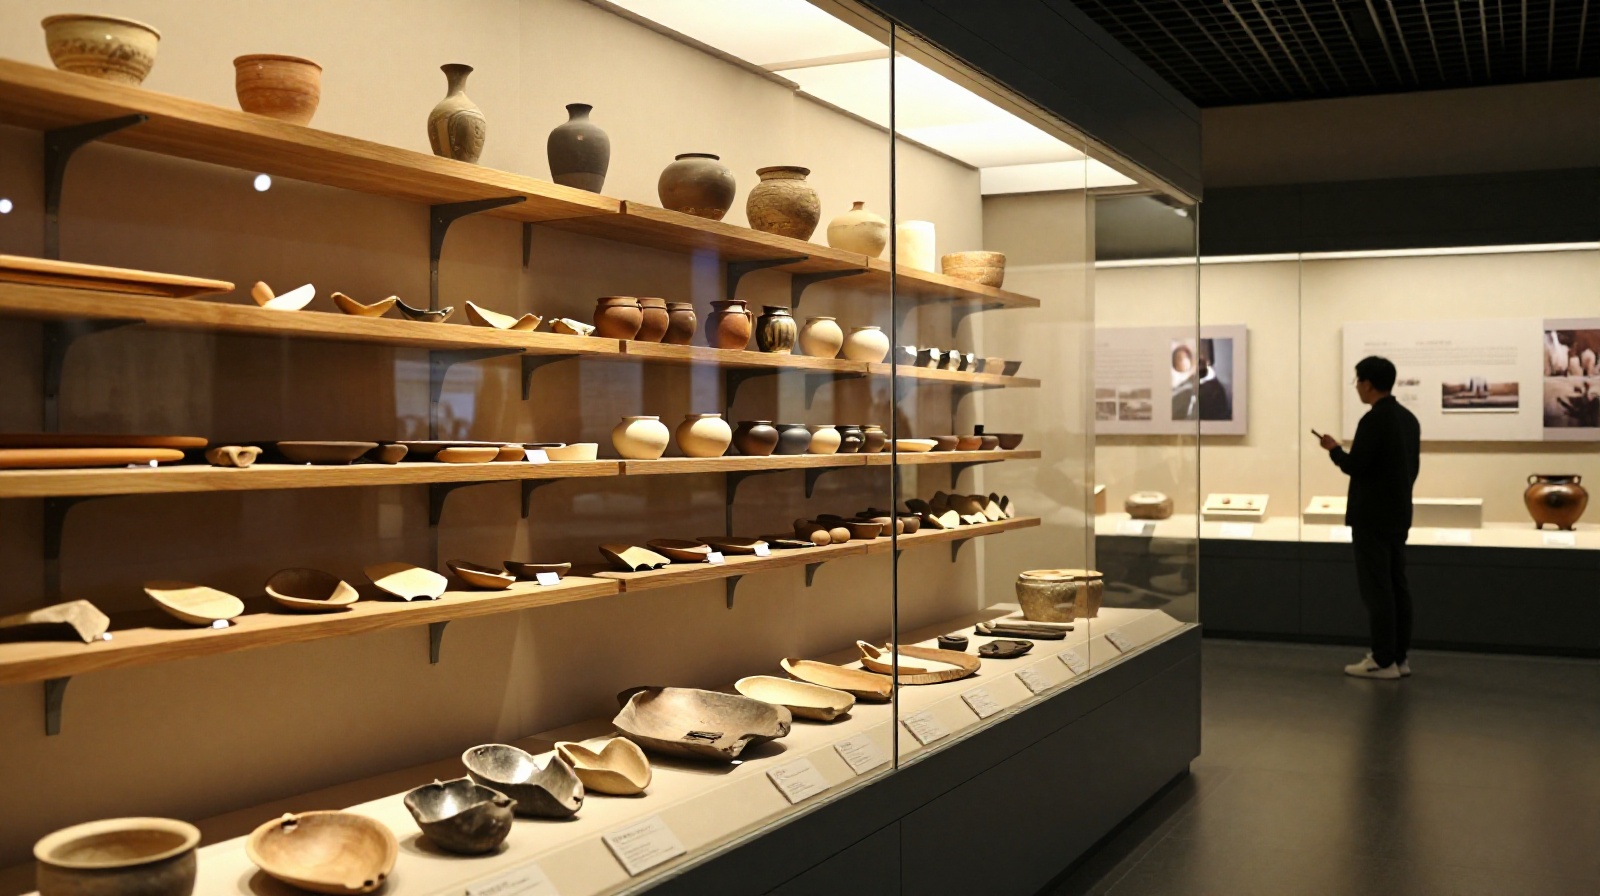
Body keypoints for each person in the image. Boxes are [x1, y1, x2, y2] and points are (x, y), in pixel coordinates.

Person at [1318, 356, 1421, 680]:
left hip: (1371, 517)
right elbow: (1411, 469)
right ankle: (1399, 657)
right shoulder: (1408, 419)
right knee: (1396, 585)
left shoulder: (1374, 420)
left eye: (1357, 381)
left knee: (1378, 590)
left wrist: (1333, 449)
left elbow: (1355, 466)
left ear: (1367, 383)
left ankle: (1382, 659)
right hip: (1398, 513)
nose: (1358, 388)